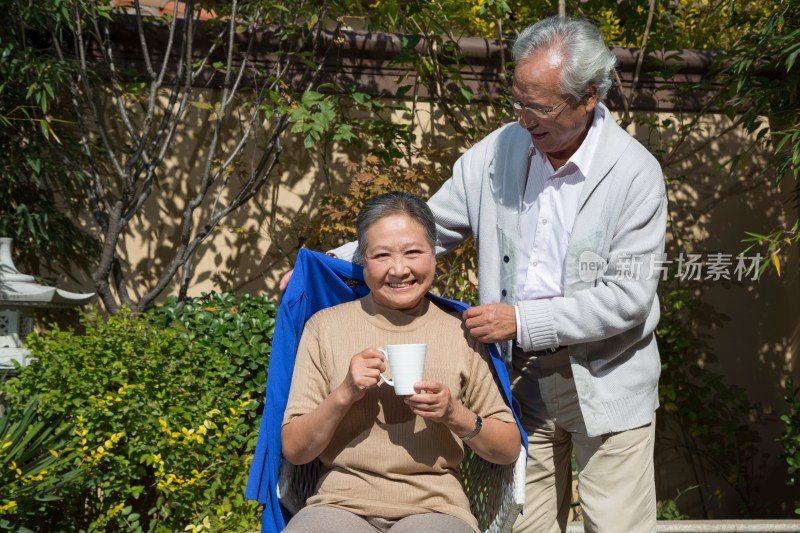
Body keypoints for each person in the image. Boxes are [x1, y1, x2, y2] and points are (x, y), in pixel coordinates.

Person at [319, 16, 668, 533]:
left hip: (608, 377)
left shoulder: (635, 174)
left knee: (615, 524)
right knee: (521, 525)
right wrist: (325, 263)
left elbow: (628, 297)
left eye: (539, 107)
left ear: (589, 96)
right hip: (519, 378)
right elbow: (427, 231)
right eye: (517, 102)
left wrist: (522, 322)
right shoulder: (499, 150)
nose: (524, 120)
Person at [280, 191, 522, 533]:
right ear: (364, 261)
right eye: (381, 255)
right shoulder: (325, 327)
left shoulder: (462, 331)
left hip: (436, 510)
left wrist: (454, 413)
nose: (399, 269)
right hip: (338, 506)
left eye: (413, 252)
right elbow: (295, 450)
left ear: (434, 257)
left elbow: (508, 448)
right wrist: (345, 393)